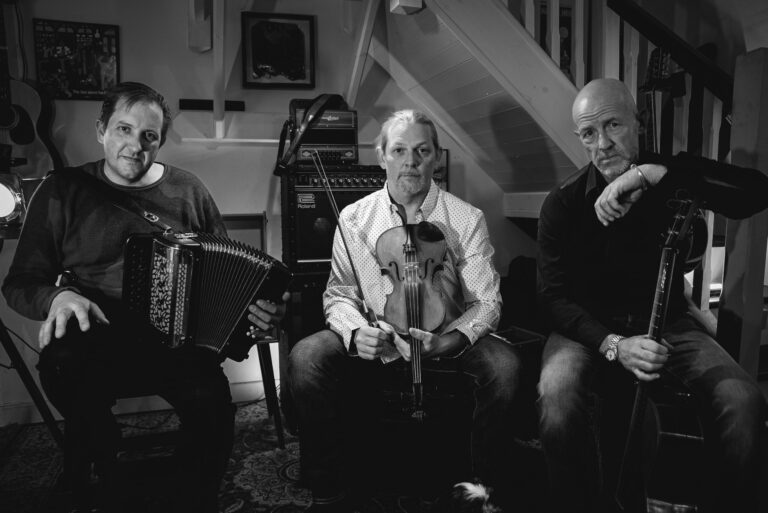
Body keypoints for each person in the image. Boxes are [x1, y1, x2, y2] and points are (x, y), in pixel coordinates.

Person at [2, 81, 288, 513]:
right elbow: (20, 283)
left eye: (148, 136)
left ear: (160, 141)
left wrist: (259, 311)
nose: (134, 145)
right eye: (123, 129)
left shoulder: (188, 189)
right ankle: (107, 465)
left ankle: (185, 493)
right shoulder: (62, 190)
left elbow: (230, 273)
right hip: (96, 333)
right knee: (63, 366)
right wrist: (58, 298)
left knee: (213, 410)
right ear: (101, 130)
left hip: (178, 340)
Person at [536, 78, 768, 513]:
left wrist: (651, 174)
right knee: (557, 393)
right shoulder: (563, 204)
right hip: (588, 329)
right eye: (589, 133)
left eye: (613, 126)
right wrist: (614, 345)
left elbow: (756, 191)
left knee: (743, 400)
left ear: (637, 123)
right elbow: (552, 299)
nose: (602, 144)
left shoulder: (670, 177)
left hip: (668, 323)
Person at [288, 109, 522, 512]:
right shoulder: (354, 218)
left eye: (421, 151)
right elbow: (339, 292)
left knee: (505, 367)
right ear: (382, 157)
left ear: (436, 158)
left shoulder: (465, 219)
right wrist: (355, 332)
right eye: (399, 150)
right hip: (379, 337)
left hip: (446, 337)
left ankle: (484, 487)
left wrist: (447, 340)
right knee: (306, 357)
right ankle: (329, 488)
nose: (410, 162)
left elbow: (487, 302)